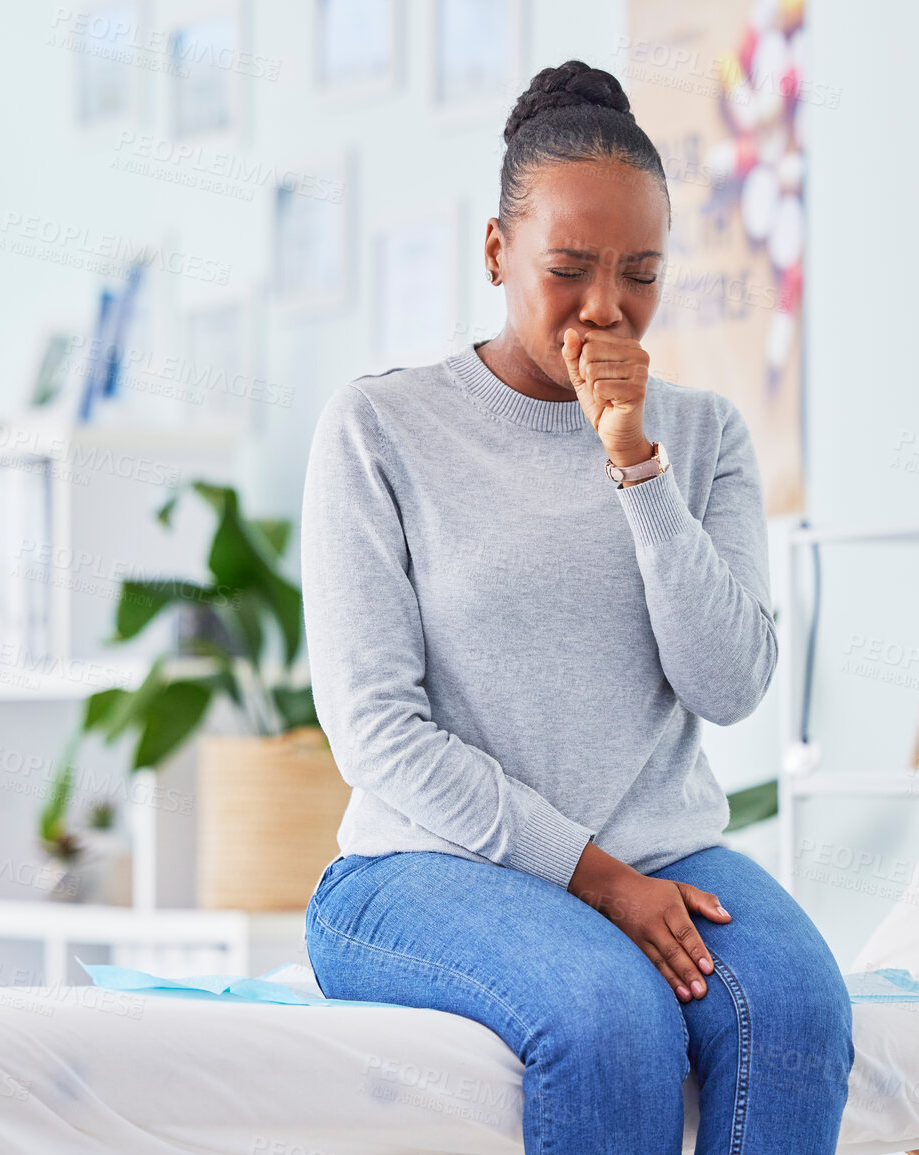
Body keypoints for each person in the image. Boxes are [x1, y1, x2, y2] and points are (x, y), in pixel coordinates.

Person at [300, 59, 852, 1155]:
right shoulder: (380, 429)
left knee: (794, 1010)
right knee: (609, 1019)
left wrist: (636, 468)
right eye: (568, 268)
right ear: (499, 253)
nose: (607, 306)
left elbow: (732, 684)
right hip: (422, 870)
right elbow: (376, 731)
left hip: (668, 850)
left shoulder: (702, 439)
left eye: (640, 273)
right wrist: (599, 880)